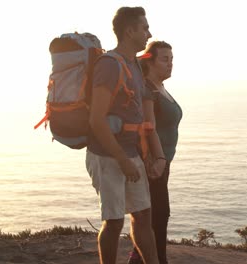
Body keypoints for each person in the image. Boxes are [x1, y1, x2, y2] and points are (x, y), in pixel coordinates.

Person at [85, 6, 162, 264]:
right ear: (129, 31)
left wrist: (144, 154)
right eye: (144, 28)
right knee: (114, 221)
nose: (149, 33)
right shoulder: (109, 65)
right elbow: (96, 120)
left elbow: (136, 116)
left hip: (130, 153)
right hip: (107, 156)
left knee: (142, 215)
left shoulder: (133, 65)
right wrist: (122, 159)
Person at [127, 41, 183, 264]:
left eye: (172, 59)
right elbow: (146, 127)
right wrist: (153, 159)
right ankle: (157, 260)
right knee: (157, 216)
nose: (170, 64)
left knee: (155, 217)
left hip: (162, 162)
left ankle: (139, 260)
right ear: (150, 61)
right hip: (152, 163)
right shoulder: (148, 90)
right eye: (164, 59)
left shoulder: (159, 87)